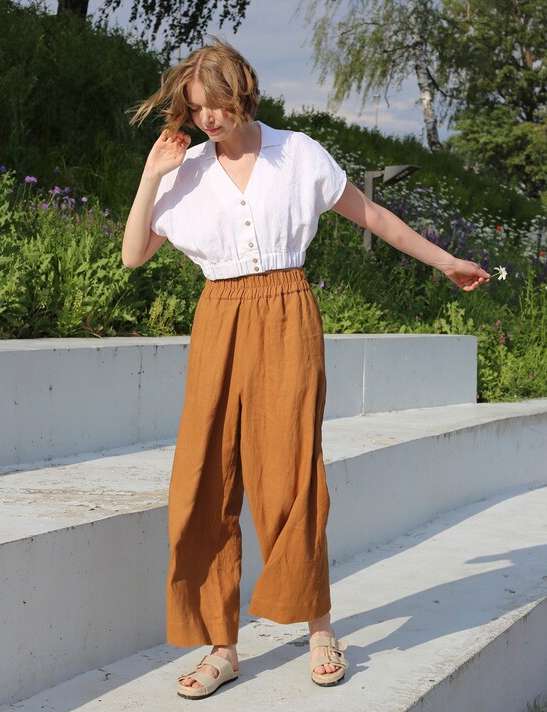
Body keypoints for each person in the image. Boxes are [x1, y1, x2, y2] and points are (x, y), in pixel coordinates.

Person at [121, 38, 490, 700]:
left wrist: (445, 262)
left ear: (242, 92)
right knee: (204, 478)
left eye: (217, 104)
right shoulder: (187, 171)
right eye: (196, 108)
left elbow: (371, 214)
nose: (208, 119)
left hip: (286, 311)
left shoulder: (297, 154)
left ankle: (319, 627)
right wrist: (152, 175)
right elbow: (132, 255)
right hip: (218, 317)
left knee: (291, 473)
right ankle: (222, 646)